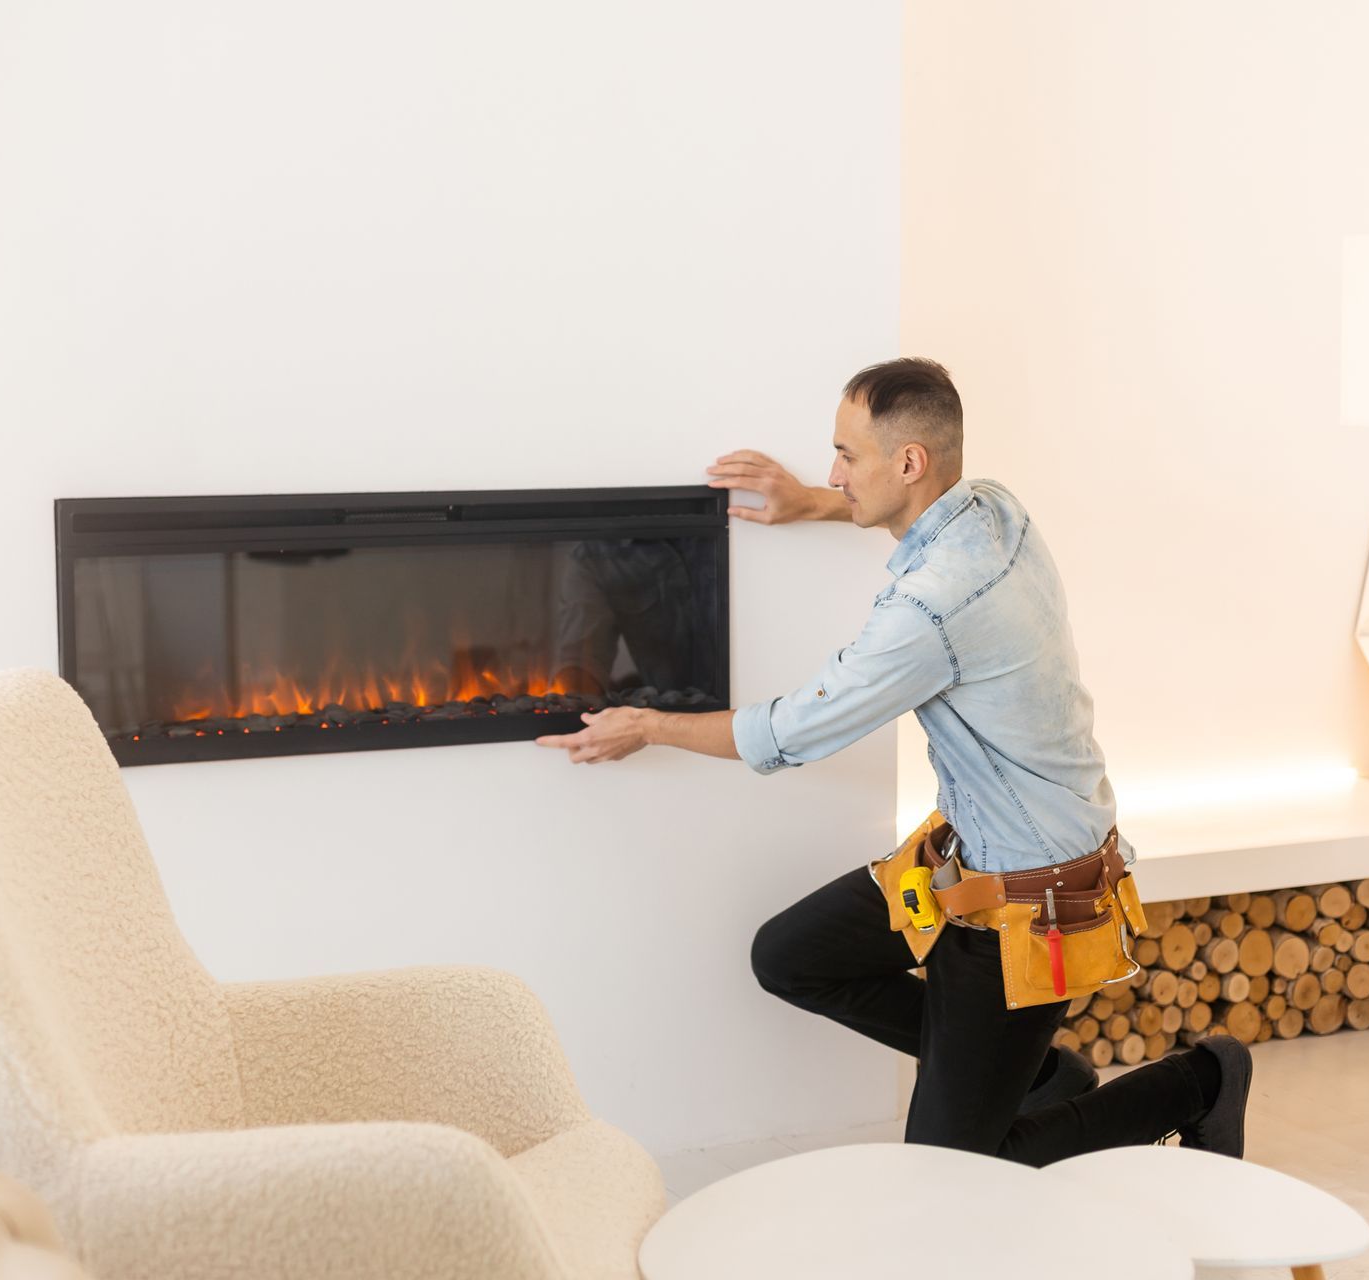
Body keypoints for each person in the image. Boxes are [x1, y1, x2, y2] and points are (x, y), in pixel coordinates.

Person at [535, 357, 1251, 1164]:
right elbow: (911, 513)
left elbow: (790, 732)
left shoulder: (929, 610)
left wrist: (648, 725)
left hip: (1028, 899)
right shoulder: (993, 507)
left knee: (957, 1172)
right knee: (791, 957)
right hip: (968, 855)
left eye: (846, 456)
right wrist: (810, 504)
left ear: (909, 462)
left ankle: (1201, 1081)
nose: (833, 473)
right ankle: (1037, 1074)